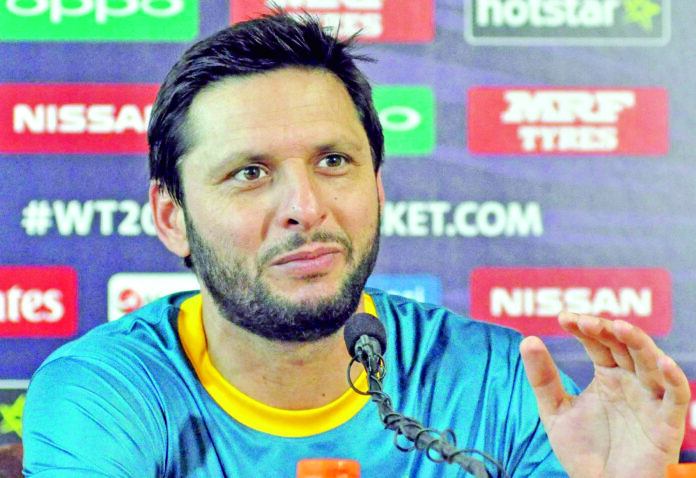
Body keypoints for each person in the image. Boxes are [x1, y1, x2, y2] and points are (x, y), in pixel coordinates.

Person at [22, 12, 690, 478]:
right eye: (249, 173)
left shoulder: (498, 379)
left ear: (377, 186)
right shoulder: (105, 392)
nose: (305, 207)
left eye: (333, 161)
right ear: (172, 219)